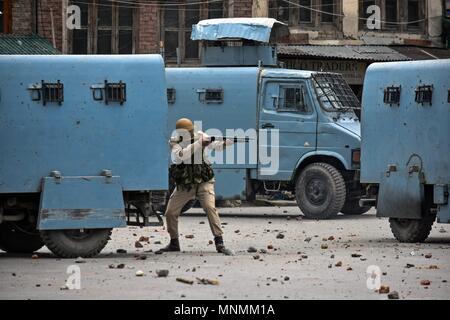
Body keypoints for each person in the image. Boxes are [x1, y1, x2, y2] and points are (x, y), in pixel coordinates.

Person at [157, 118, 233, 254]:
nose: (192, 133)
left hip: (204, 182)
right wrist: (199, 143)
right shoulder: (175, 142)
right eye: (188, 132)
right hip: (186, 185)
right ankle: (174, 243)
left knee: (210, 208)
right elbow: (181, 155)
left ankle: (219, 242)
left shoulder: (200, 135)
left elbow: (217, 146)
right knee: (170, 213)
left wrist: (227, 142)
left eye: (192, 131)